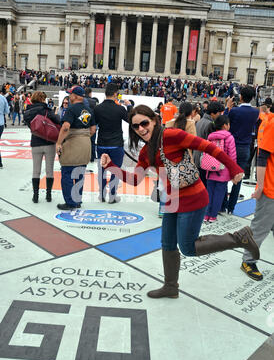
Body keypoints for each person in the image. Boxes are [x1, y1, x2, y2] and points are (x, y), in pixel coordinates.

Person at [100, 104, 259, 300]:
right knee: (167, 243)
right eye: (135, 126)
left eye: (144, 123)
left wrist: (234, 168)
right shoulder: (145, 152)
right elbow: (135, 180)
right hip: (171, 202)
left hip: (193, 198)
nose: (141, 129)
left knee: (188, 247)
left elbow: (207, 146)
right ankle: (170, 286)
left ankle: (239, 238)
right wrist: (111, 166)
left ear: (154, 121)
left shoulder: (171, 135)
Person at [241, 110, 274, 281]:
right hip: (270, 188)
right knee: (260, 227)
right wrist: (260, 186)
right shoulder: (272, 124)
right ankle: (248, 260)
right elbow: (262, 157)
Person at [56, 86, 96, 210]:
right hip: (86, 143)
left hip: (73, 143)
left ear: (75, 96)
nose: (69, 96)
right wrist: (84, 136)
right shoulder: (89, 109)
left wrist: (58, 142)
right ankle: (77, 200)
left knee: (67, 173)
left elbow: (66, 127)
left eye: (71, 94)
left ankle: (70, 202)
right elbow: (93, 129)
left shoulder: (71, 109)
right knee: (79, 174)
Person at [222, 86, 259, 214]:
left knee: (225, 176)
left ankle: (223, 205)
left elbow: (224, 123)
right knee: (239, 179)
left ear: (241, 96)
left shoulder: (235, 111)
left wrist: (227, 107)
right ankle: (231, 208)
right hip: (245, 147)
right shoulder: (255, 112)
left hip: (232, 146)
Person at [94, 83, 131, 204]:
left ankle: (102, 194)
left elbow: (93, 126)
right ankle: (112, 195)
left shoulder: (98, 108)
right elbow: (131, 120)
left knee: (102, 170)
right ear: (115, 94)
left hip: (102, 143)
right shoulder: (120, 109)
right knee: (116, 170)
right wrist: (129, 106)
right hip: (116, 144)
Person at [23, 91, 61, 203]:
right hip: (49, 142)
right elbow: (58, 120)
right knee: (49, 170)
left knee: (36, 171)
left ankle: (35, 196)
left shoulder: (28, 112)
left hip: (35, 142)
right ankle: (48, 195)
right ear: (42, 99)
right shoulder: (46, 110)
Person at [203, 115, 237, 222]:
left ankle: (206, 215)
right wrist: (233, 171)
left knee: (209, 192)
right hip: (223, 170)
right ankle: (213, 216)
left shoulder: (210, 136)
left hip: (210, 168)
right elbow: (232, 156)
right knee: (219, 193)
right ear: (225, 125)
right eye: (228, 124)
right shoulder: (229, 137)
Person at [193, 101, 223, 187]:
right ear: (213, 113)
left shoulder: (201, 120)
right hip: (203, 158)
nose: (220, 115)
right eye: (219, 113)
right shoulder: (210, 124)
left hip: (197, 156)